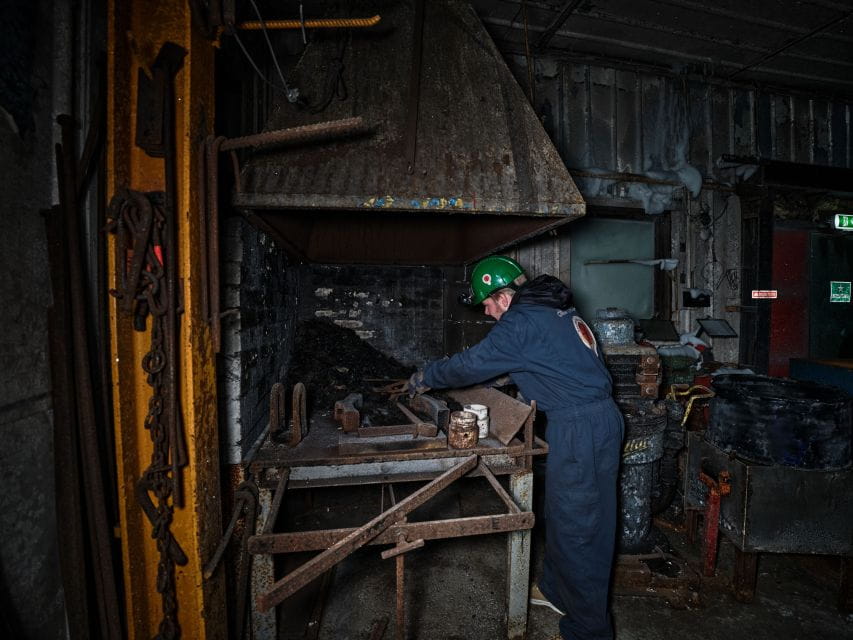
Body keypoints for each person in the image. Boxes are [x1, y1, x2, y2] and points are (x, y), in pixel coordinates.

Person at [408, 255, 623, 640]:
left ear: (503, 296)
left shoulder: (520, 323)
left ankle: (589, 629)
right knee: (563, 511)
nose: (488, 313)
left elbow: (468, 365)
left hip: (580, 427)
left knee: (581, 527)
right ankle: (558, 590)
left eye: (487, 304)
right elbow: (556, 361)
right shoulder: (555, 312)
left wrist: (429, 374)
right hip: (591, 421)